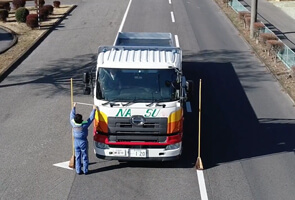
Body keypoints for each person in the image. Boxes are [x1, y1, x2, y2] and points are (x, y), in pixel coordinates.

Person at [70, 102, 96, 175]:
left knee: (78, 156)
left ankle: (78, 170)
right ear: (81, 120)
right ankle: (85, 170)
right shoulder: (84, 124)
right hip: (83, 141)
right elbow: (91, 118)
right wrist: (94, 109)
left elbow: (71, 116)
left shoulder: (73, 123)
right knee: (85, 156)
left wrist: (74, 107)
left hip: (76, 142)